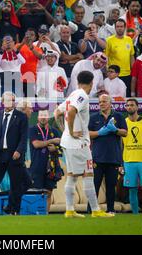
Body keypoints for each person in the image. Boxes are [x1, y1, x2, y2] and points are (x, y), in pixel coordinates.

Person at [54, 70, 114, 218]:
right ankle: (95, 210)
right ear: (92, 82)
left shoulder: (73, 94)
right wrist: (72, 131)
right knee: (88, 174)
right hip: (78, 143)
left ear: (78, 81)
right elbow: (73, 111)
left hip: (68, 142)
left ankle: (69, 210)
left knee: (72, 176)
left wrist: (65, 131)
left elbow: (57, 112)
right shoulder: (82, 95)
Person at [0, 92, 28, 215]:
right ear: (3, 102)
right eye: (7, 100)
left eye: (12, 100)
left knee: (15, 183)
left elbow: (23, 137)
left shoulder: (21, 116)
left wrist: (19, 151)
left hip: (14, 155)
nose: (9, 103)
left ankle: (14, 209)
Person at [88, 94, 128, 214]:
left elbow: (125, 133)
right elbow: (88, 134)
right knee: (94, 186)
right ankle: (91, 210)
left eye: (104, 101)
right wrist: (100, 133)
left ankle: (110, 210)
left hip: (113, 158)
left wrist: (114, 130)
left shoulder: (118, 116)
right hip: (97, 158)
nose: (101, 104)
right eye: (100, 102)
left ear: (110, 103)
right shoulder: (93, 117)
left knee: (111, 186)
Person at [29, 109, 62, 212]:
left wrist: (55, 149)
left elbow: (61, 150)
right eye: (41, 115)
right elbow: (36, 144)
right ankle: (36, 215)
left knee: (48, 192)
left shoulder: (55, 131)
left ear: (49, 117)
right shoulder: (33, 129)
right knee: (37, 193)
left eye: (45, 115)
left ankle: (46, 215)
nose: (43, 117)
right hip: (37, 166)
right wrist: (51, 141)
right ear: (38, 117)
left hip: (51, 167)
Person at [105, 19, 135, 97]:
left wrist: (133, 71)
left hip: (127, 74)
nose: (119, 28)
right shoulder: (109, 40)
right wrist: (107, 72)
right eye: (117, 26)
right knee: (113, 97)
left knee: (125, 97)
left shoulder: (129, 40)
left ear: (125, 28)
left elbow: (131, 56)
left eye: (121, 26)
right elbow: (106, 57)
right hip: (113, 74)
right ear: (115, 28)